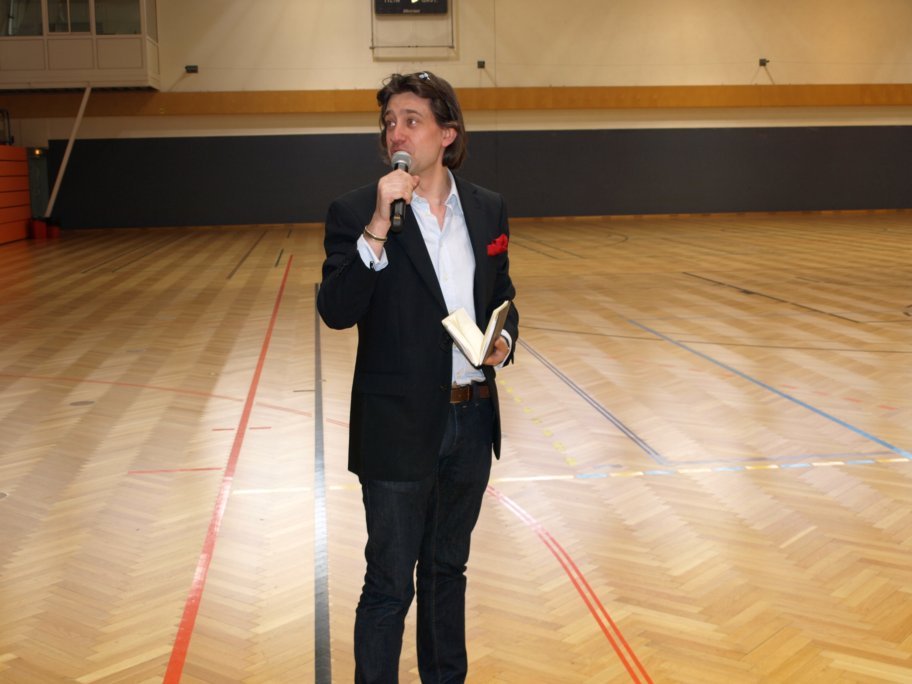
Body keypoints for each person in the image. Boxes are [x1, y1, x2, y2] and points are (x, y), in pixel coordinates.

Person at [317, 71, 519, 683]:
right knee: (388, 584)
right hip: (397, 427)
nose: (396, 134)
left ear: (447, 133)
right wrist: (378, 226)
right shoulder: (356, 211)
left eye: (411, 121)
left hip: (470, 417)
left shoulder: (486, 208)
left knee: (445, 573)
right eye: (389, 123)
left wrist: (504, 340)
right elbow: (337, 310)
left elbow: (502, 294)